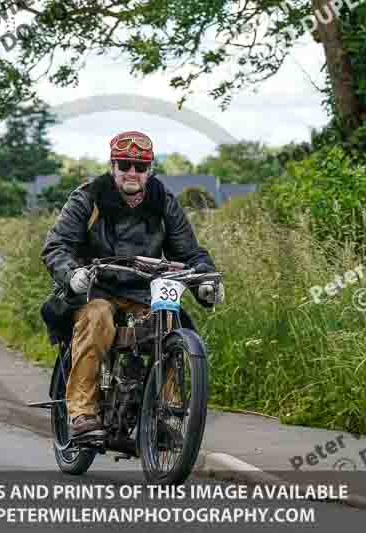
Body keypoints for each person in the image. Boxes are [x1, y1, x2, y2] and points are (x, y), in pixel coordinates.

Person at [40, 130, 224, 439]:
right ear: (112, 166)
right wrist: (72, 274)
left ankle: (165, 414)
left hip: (144, 291)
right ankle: (82, 413)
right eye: (124, 165)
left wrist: (205, 278)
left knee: (170, 323)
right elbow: (56, 246)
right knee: (97, 316)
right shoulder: (87, 197)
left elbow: (189, 251)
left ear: (150, 170)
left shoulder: (163, 201)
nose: (132, 173)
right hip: (95, 288)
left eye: (140, 167)